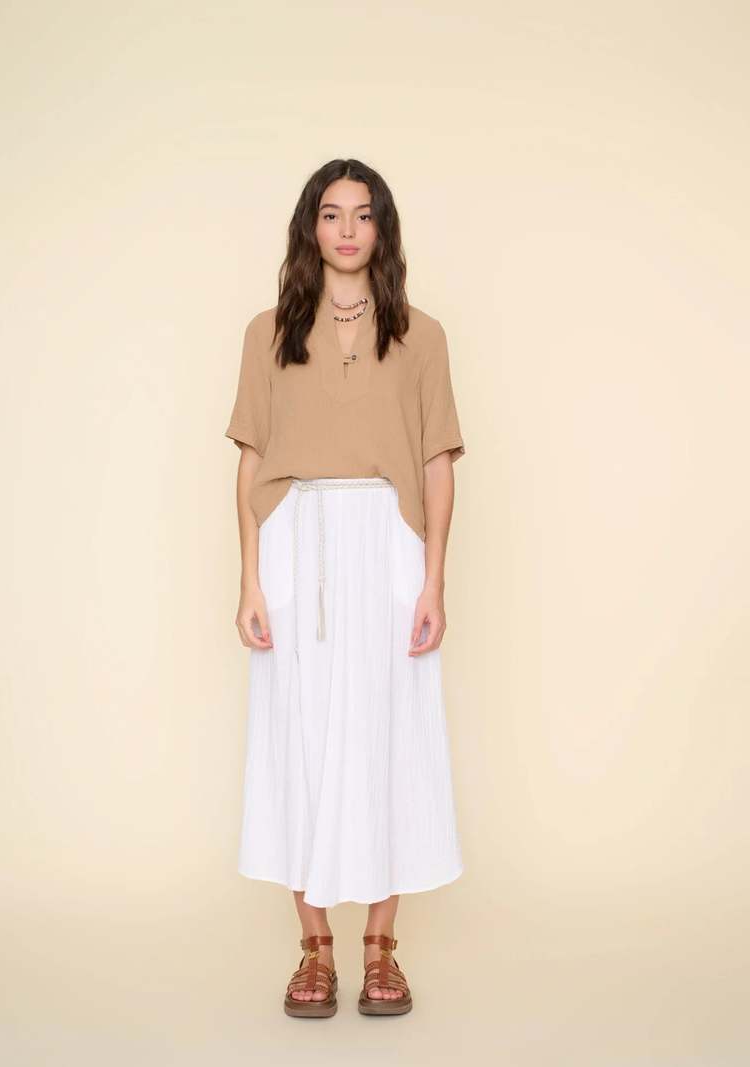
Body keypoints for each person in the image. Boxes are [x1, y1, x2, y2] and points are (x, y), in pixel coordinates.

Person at [224, 158, 466, 1018]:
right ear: (311, 227)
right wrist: (250, 576)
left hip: (388, 540)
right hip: (298, 540)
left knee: (388, 731)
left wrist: (434, 579)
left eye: (364, 214)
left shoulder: (422, 336)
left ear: (382, 228)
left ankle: (380, 950)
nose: (349, 230)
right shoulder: (268, 333)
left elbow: (437, 463)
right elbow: (251, 460)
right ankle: (315, 950)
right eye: (332, 214)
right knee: (300, 734)